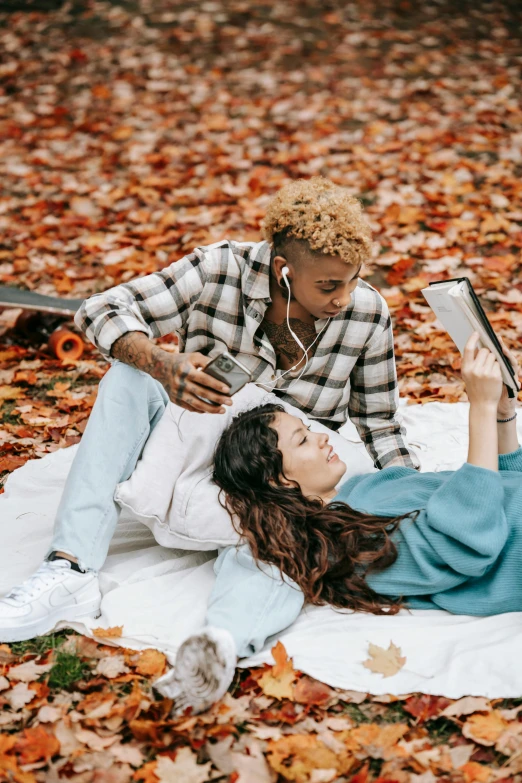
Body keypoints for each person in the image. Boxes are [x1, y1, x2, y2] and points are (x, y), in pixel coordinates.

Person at [0, 177, 417, 681]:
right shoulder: (218, 269)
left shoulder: (367, 312)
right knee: (129, 376)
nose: (345, 297)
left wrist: (412, 490)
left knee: (284, 542)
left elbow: (379, 419)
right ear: (283, 271)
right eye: (329, 286)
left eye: (353, 280)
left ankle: (219, 646)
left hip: (290, 476)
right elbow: (99, 311)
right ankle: (70, 569)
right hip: (197, 445)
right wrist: (160, 361)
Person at [162, 332, 519, 713]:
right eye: (301, 441)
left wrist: (502, 414)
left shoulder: (367, 485)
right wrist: (478, 409)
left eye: (308, 429)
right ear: (280, 480)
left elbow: (500, 486)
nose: (319, 438)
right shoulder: (339, 538)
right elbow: (465, 541)